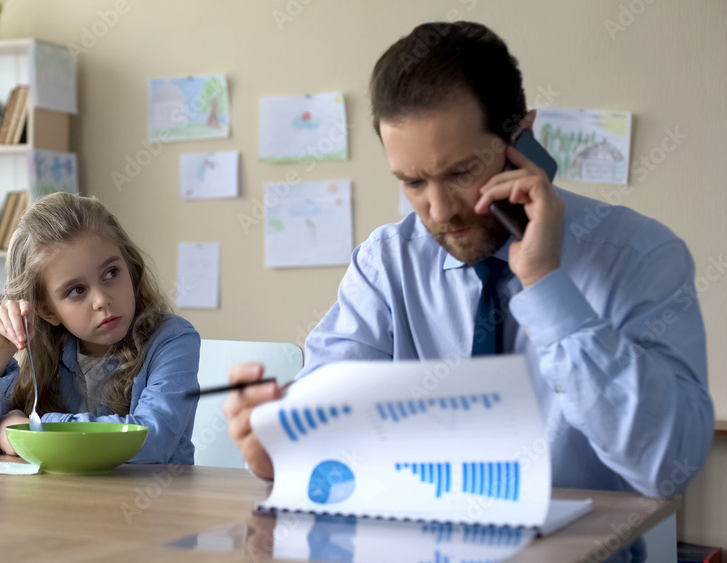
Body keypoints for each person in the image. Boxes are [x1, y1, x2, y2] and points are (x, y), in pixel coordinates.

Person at [224, 21, 713, 562]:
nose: (439, 209)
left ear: (523, 139)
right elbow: (330, 431)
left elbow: (668, 468)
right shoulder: (386, 265)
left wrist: (546, 285)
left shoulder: (642, 256)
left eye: (460, 171)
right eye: (412, 182)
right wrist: (283, 447)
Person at [0, 192, 201, 464]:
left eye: (111, 273)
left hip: (154, 504)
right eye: (77, 290)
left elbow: (152, 440)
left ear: (131, 267)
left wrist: (29, 429)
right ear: (47, 310)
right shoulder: (42, 351)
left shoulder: (173, 339)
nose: (102, 299)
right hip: (59, 504)